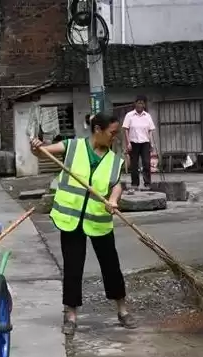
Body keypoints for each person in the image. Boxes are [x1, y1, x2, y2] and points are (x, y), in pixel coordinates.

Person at [30, 112, 137, 336]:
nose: (114, 138)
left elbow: (117, 184)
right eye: (112, 133)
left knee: (111, 267)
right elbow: (42, 153)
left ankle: (122, 310)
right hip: (72, 220)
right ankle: (70, 315)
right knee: (73, 268)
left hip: (98, 220)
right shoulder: (73, 147)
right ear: (98, 129)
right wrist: (37, 146)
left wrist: (113, 200)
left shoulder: (114, 160)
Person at [122, 95, 156, 193]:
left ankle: (147, 183)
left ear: (144, 105)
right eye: (138, 102)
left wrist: (151, 143)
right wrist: (128, 143)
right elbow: (126, 130)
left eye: (142, 103)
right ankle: (134, 184)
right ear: (135, 103)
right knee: (134, 164)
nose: (140, 104)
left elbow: (150, 131)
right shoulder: (129, 115)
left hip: (145, 142)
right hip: (133, 142)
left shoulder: (147, 116)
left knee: (146, 163)